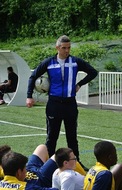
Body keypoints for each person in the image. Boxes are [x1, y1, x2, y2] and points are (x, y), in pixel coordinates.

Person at [26, 35, 98, 171]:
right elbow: (33, 76)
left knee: (72, 137)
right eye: (64, 48)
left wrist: (79, 84)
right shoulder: (49, 62)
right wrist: (29, 96)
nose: (67, 50)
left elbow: (93, 72)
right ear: (57, 48)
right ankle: (48, 167)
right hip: (54, 104)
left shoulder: (75, 61)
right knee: (52, 137)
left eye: (69, 47)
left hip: (70, 103)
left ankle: (77, 165)